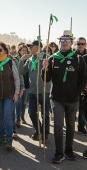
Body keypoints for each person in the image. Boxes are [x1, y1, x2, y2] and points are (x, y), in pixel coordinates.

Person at [42, 30, 87, 163]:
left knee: (71, 125)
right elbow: (45, 79)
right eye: (63, 40)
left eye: (67, 40)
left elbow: (84, 78)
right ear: (59, 42)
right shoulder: (52, 58)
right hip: (56, 98)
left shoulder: (78, 59)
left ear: (71, 42)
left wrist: (77, 92)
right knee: (58, 125)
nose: (65, 43)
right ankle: (59, 153)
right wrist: (44, 69)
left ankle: (69, 151)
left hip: (73, 99)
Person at [19, 40, 51, 143]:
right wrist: (21, 60)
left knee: (45, 114)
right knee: (32, 112)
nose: (30, 48)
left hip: (44, 91)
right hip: (32, 91)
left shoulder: (47, 57)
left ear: (38, 47)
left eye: (32, 46)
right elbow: (21, 71)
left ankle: (45, 135)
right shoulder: (30, 59)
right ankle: (38, 130)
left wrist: (42, 61)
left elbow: (49, 71)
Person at [75, 37, 87, 135]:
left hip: (85, 86)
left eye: (82, 44)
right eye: (79, 44)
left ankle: (81, 126)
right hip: (74, 86)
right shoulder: (73, 55)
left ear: (85, 45)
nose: (80, 46)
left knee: (82, 108)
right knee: (73, 107)